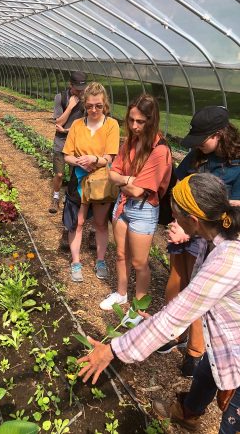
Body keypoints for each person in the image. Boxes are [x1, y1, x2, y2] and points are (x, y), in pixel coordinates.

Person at [77, 173, 240, 434]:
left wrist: (111, 351)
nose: (172, 222)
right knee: (210, 366)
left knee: (231, 422)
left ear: (195, 221)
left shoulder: (228, 258)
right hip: (229, 337)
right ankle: (188, 414)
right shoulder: (221, 228)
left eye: (176, 216)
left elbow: (174, 318)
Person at [158, 106, 240, 378]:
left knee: (197, 290)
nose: (198, 145)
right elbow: (180, 181)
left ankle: (196, 351)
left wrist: (192, 227)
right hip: (184, 226)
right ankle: (173, 332)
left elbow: (233, 208)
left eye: (202, 139)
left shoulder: (237, 164)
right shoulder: (197, 156)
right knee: (176, 277)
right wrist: (177, 220)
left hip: (211, 237)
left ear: (219, 134)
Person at [99, 94, 172, 326]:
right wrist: (127, 179)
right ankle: (121, 293)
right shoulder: (130, 142)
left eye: (140, 122)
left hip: (143, 210)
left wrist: (124, 180)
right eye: (131, 120)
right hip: (122, 205)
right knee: (121, 255)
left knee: (140, 263)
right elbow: (112, 174)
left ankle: (138, 309)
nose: (134, 126)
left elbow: (139, 191)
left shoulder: (160, 150)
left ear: (152, 120)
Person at [62, 82, 120, 282]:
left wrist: (95, 160)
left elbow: (110, 157)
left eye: (98, 106)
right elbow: (67, 155)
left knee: (100, 223)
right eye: (89, 106)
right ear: (84, 106)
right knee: (77, 223)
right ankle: (76, 262)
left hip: (100, 182)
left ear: (105, 105)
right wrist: (79, 161)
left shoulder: (111, 125)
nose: (94, 110)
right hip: (78, 180)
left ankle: (101, 260)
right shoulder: (77, 125)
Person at [49, 71, 87, 214]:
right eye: (77, 88)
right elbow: (58, 121)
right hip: (60, 141)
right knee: (59, 174)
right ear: (70, 85)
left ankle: (69, 199)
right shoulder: (61, 98)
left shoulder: (86, 100)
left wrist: (67, 130)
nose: (80, 91)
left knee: (73, 173)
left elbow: (85, 124)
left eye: (82, 89)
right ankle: (56, 197)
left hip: (77, 142)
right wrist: (70, 106)